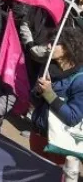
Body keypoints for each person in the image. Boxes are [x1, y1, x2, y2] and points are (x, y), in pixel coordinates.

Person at [30, 27, 83, 181]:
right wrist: (38, 92)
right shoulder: (47, 67)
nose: (48, 46)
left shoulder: (79, 79)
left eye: (54, 43)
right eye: (49, 42)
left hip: (59, 144)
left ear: (67, 47)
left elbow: (72, 117)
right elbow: (33, 101)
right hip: (38, 134)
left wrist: (49, 94)